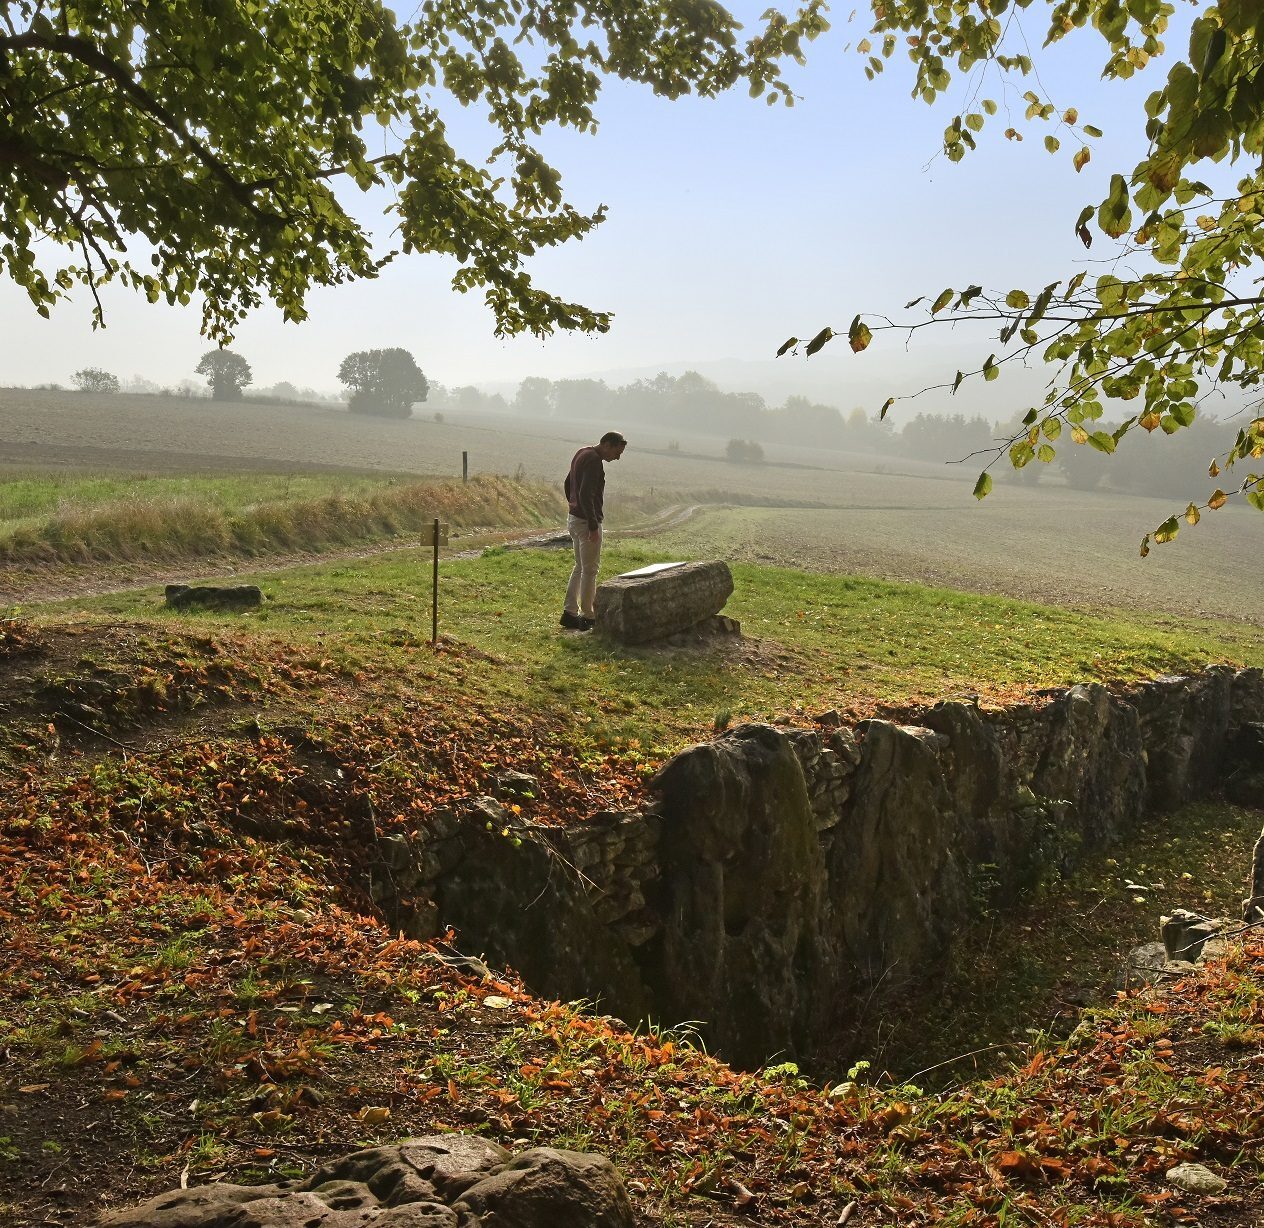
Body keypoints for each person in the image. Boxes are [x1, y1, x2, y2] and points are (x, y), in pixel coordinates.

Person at [561, 431, 627, 630]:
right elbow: (585, 493)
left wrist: (573, 506)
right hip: (585, 522)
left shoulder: (581, 452)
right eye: (617, 451)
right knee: (590, 570)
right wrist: (592, 524)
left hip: (574, 518)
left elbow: (568, 483)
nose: (617, 457)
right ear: (607, 444)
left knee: (580, 567)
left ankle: (569, 612)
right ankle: (587, 616)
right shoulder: (593, 460)